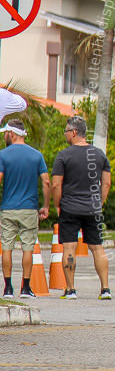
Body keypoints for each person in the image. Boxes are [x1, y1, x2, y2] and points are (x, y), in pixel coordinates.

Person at [52, 115, 111, 300]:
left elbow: (55, 185)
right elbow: (106, 183)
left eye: (67, 131)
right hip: (93, 209)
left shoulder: (63, 155)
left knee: (69, 248)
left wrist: (57, 205)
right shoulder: (100, 154)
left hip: (70, 207)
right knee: (97, 248)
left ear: (74, 132)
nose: (65, 134)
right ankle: (105, 289)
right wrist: (99, 203)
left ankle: (70, 289)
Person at [0, 120, 49, 299]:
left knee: (7, 247)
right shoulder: (36, 155)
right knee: (28, 248)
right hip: (29, 208)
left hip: (8, 208)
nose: (4, 136)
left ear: (12, 133)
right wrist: (46, 205)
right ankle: (26, 288)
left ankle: (7, 289)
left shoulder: (3, 155)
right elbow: (46, 181)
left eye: (5, 133)